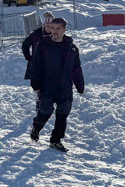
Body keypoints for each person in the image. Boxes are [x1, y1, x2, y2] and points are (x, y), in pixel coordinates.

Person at [29, 17, 85, 152]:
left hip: (65, 87)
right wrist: (35, 84)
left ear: (64, 30)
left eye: (58, 29)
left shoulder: (72, 48)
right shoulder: (43, 45)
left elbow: (76, 68)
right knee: (46, 110)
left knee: (63, 114)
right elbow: (36, 66)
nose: (54, 32)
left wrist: (80, 85)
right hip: (47, 86)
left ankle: (55, 140)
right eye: (52, 28)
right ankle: (37, 127)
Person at [21, 11, 55, 80]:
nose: (49, 28)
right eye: (47, 26)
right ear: (44, 25)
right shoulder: (36, 34)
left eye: (51, 27)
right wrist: (28, 57)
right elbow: (25, 44)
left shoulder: (56, 35)